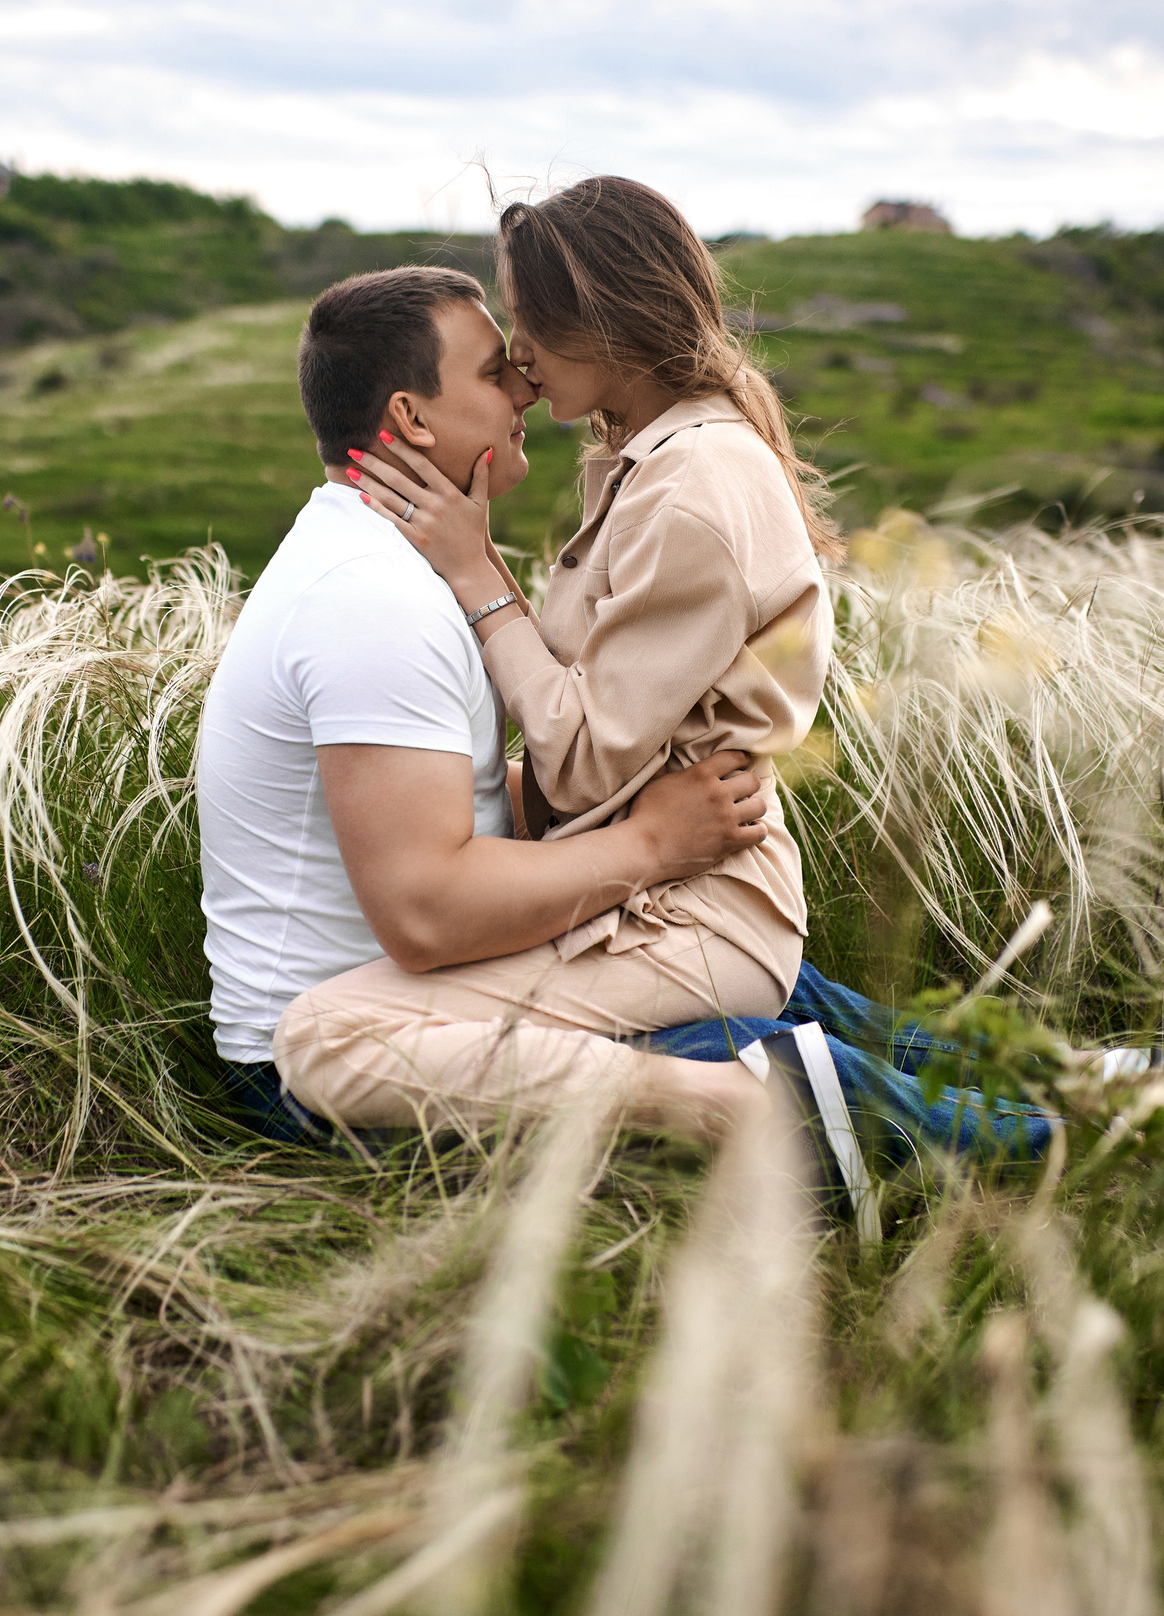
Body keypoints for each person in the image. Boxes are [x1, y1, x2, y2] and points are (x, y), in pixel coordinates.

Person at [291, 176, 841, 1137]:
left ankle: (751, 1115)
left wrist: (477, 573)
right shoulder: (657, 460)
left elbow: (585, 761)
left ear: (604, 319)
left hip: (686, 908)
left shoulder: (690, 486)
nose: (520, 356)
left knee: (330, 1036)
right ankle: (1051, 1090)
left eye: (528, 322)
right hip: (666, 886)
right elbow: (601, 721)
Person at [197, 264, 774, 1143]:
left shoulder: (383, 558)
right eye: (494, 372)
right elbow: (427, 910)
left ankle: (999, 1084)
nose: (525, 392)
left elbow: (432, 792)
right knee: (768, 1048)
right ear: (411, 418)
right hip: (346, 1062)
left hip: (428, 999)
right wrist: (653, 843)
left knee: (781, 996)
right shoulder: (370, 600)